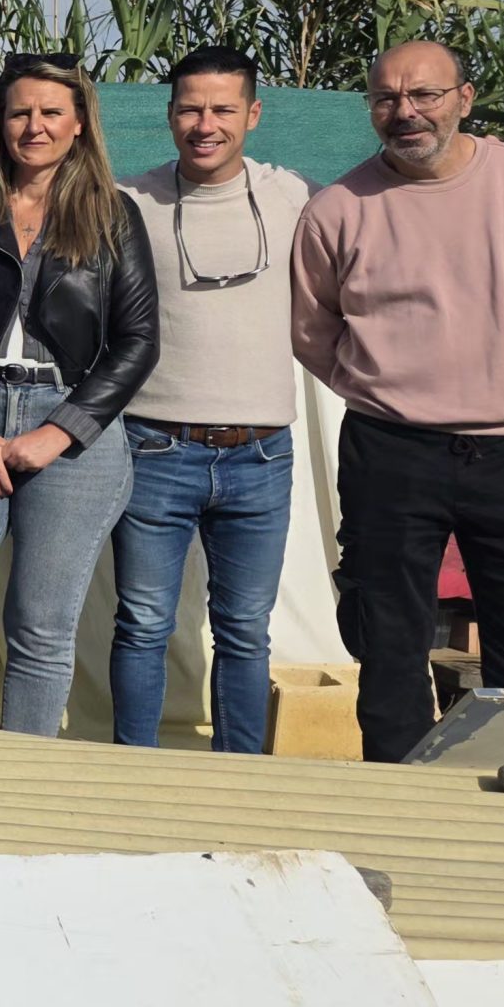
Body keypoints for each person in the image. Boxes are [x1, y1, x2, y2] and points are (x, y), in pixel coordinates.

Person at [295, 40, 504, 763]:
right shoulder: (337, 209)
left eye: (425, 96)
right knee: (387, 646)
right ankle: (399, 803)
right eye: (386, 98)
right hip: (392, 450)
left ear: (465, 99)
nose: (404, 112)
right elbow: (313, 331)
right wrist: (393, 391)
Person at [0, 54, 157, 736]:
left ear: (79, 124)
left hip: (71, 432)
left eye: (51, 112)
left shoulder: (114, 217)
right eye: (20, 112)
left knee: (40, 629)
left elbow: (138, 342)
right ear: (0, 122)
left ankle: (20, 794)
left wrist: (62, 430)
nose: (34, 126)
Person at [105, 46, 319, 752]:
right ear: (169, 116)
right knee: (142, 624)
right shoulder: (127, 201)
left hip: (261, 454)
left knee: (244, 630)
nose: (206, 123)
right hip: (153, 447)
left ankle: (240, 781)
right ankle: (135, 777)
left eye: (223, 109)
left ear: (252, 115)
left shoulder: (295, 195)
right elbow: (34, 209)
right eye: (191, 108)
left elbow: (396, 204)